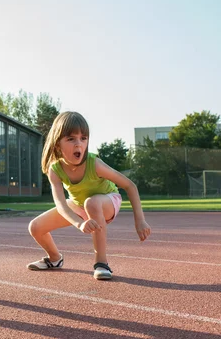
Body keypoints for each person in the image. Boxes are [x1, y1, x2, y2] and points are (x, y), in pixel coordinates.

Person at [27, 111, 151, 280]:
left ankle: (101, 263)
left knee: (91, 203)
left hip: (107, 201)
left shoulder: (95, 164)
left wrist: (140, 220)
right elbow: (62, 205)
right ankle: (55, 258)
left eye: (83, 138)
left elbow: (129, 185)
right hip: (79, 205)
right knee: (35, 227)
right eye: (71, 139)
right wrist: (79, 223)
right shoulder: (54, 170)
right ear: (57, 145)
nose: (78, 144)